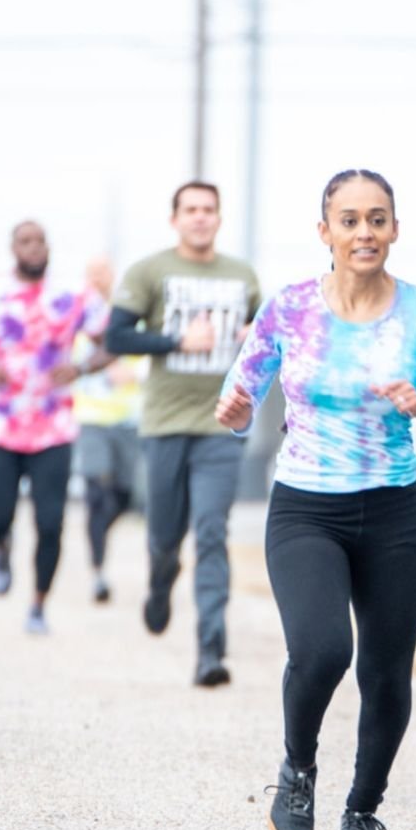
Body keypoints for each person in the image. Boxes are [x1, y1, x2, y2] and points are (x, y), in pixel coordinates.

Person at [215, 168, 416, 830]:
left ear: (394, 229)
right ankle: (297, 769)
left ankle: (362, 811)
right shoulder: (289, 307)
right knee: (321, 650)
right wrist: (236, 409)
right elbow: (240, 385)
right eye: (349, 219)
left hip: (394, 513)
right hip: (306, 509)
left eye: (376, 219)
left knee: (385, 671)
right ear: (325, 231)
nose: (363, 232)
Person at [106, 181, 262, 687]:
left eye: (208, 210)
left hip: (219, 425)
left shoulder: (242, 277)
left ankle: (210, 650)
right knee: (164, 538)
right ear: (175, 219)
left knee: (213, 532)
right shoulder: (150, 271)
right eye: (190, 210)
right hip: (165, 424)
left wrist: (252, 337)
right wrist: (177, 340)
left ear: (219, 218)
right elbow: (116, 336)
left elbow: (270, 336)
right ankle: (160, 581)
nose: (200, 217)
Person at [0, 219, 109, 635]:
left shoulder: (72, 295)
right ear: (13, 248)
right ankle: (0, 544)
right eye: (25, 242)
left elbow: (113, 341)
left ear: (49, 248)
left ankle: (37, 604)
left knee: (51, 522)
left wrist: (83, 366)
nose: (34, 248)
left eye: (40, 242)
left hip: (53, 424)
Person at [73, 256, 145, 604]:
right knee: (96, 489)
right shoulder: (73, 314)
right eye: (91, 273)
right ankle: (98, 572)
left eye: (102, 272)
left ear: (112, 276)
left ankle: (99, 531)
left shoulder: (128, 312)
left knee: (123, 496)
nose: (96, 278)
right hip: (90, 418)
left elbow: (149, 354)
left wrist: (135, 374)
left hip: (126, 419)